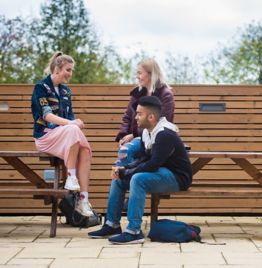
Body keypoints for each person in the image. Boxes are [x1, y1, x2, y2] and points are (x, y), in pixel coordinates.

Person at [88, 96, 192, 244]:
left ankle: (134, 231)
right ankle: (112, 224)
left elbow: (153, 164)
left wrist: (127, 172)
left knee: (138, 179)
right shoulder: (146, 132)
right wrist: (123, 169)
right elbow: (143, 159)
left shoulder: (164, 133)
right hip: (161, 172)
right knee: (118, 180)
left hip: (177, 177)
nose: (135, 117)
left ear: (151, 117)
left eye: (139, 114)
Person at [31, 51, 93, 216]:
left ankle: (83, 200)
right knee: (73, 128)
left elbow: (70, 117)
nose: (70, 74)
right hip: (45, 137)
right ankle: (71, 177)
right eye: (68, 69)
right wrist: (72, 124)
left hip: (65, 135)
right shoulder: (41, 87)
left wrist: (75, 122)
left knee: (85, 151)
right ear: (57, 69)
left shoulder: (66, 91)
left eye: (71, 70)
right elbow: (46, 115)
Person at [115, 58, 174, 168]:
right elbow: (127, 117)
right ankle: (129, 181)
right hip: (135, 139)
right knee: (120, 161)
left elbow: (161, 123)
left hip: (154, 140)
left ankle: (130, 180)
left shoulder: (165, 95)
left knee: (125, 153)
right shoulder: (137, 94)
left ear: (151, 74)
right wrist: (123, 136)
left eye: (140, 73)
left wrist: (134, 135)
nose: (137, 76)